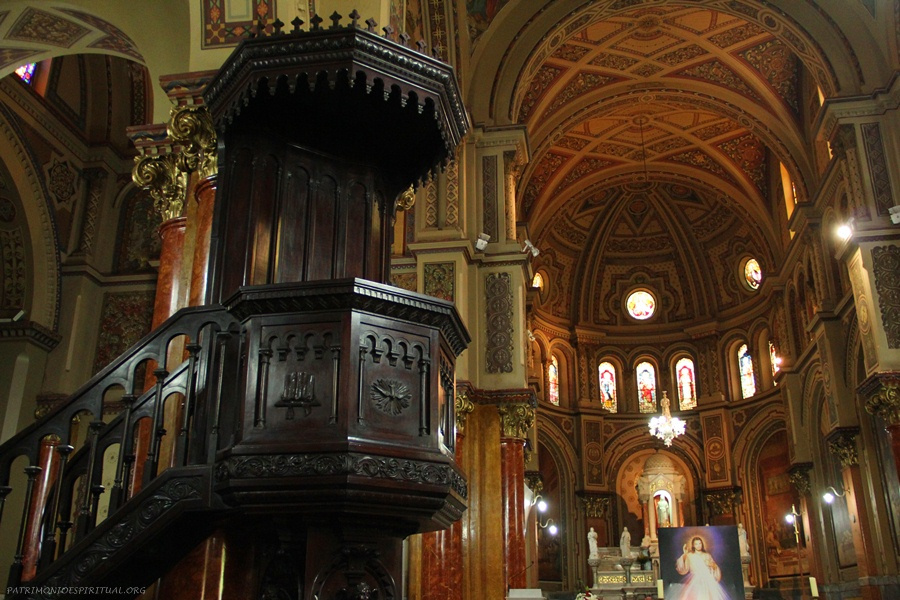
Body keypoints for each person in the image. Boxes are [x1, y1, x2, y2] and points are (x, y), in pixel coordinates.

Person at [673, 536, 729, 600]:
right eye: (696, 544)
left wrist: (711, 565)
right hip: (695, 581)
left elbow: (714, 567)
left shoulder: (707, 555)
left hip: (707, 580)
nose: (698, 545)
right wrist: (685, 554)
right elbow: (684, 569)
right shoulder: (690, 556)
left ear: (702, 544)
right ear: (693, 545)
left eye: (700, 543)